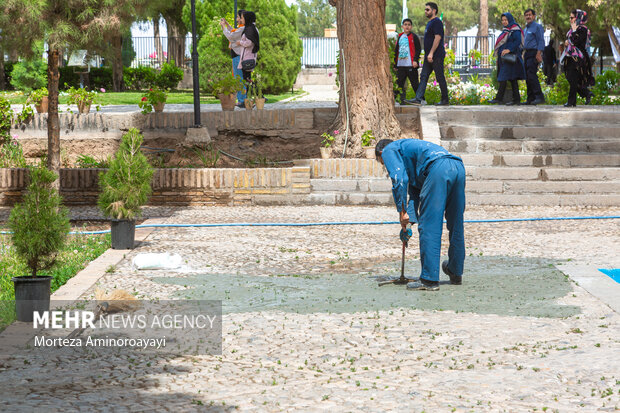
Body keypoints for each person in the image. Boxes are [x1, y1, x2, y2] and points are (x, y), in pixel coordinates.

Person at [376, 138, 466, 291]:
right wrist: (408, 223)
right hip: (457, 167)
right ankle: (455, 271)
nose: (386, 166)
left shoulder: (389, 149)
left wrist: (401, 211)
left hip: (438, 169)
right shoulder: (414, 159)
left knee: (429, 224)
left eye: (383, 163)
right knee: (455, 222)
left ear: (381, 153)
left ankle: (429, 280)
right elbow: (415, 195)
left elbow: (399, 179)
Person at [408, 2, 449, 106]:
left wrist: (431, 53)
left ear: (434, 10)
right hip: (428, 56)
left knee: (439, 77)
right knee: (424, 76)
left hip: (436, 55)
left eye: (427, 9)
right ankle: (418, 98)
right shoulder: (430, 23)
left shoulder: (437, 22)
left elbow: (438, 37)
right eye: (425, 10)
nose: (425, 11)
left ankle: (445, 100)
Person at [489, 12, 525, 106]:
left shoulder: (515, 29)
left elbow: (517, 41)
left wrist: (509, 49)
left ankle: (499, 98)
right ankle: (516, 100)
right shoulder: (506, 30)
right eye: (502, 20)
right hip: (504, 59)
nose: (504, 22)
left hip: (511, 58)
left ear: (510, 19)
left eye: (506, 20)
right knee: (512, 79)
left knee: (503, 77)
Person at [562, 9, 594, 107]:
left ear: (578, 18)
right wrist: (566, 43)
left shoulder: (583, 29)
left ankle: (571, 101)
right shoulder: (573, 29)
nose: (570, 19)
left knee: (573, 79)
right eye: (570, 18)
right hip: (570, 57)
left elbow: (576, 41)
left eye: (572, 17)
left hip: (578, 58)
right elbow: (570, 41)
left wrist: (574, 31)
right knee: (571, 78)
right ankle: (586, 93)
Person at [220, 10, 246, 108]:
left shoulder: (242, 28)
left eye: (239, 17)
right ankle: (242, 99)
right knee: (239, 78)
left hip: (238, 56)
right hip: (237, 56)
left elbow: (231, 36)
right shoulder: (241, 29)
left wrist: (223, 27)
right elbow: (233, 32)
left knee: (238, 79)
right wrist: (227, 24)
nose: (237, 19)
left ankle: (241, 100)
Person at [234, 11, 260, 107]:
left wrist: (240, 43)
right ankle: (253, 98)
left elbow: (249, 43)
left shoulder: (250, 29)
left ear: (248, 18)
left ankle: (251, 99)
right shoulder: (250, 28)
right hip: (247, 57)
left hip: (247, 58)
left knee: (246, 79)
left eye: (243, 18)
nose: (241, 19)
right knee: (247, 79)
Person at [394, 18, 422, 105]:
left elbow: (418, 49)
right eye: (405, 24)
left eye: (409, 25)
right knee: (399, 84)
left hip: (411, 65)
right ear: (402, 26)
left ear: (411, 27)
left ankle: (421, 100)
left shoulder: (414, 36)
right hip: (401, 65)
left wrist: (415, 60)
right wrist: (395, 64)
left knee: (415, 83)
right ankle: (396, 101)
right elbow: (396, 50)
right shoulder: (400, 36)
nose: (407, 26)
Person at [522, 9, 545, 105]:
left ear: (534, 16)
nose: (528, 16)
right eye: (526, 15)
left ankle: (539, 97)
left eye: (530, 15)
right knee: (527, 76)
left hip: (534, 53)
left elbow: (541, 41)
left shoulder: (537, 27)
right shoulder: (525, 29)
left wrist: (539, 53)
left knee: (531, 74)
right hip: (527, 54)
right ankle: (530, 99)